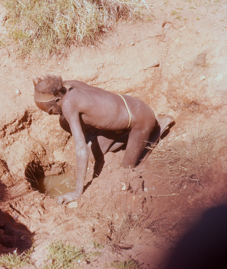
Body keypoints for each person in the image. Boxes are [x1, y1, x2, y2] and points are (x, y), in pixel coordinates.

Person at [33, 75, 174, 204]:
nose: (51, 114)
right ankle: (128, 134)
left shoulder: (68, 104)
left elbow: (81, 148)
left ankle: (157, 127)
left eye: (50, 111)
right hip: (131, 106)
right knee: (92, 155)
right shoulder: (67, 86)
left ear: (57, 100)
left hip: (141, 119)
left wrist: (77, 192)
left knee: (126, 169)